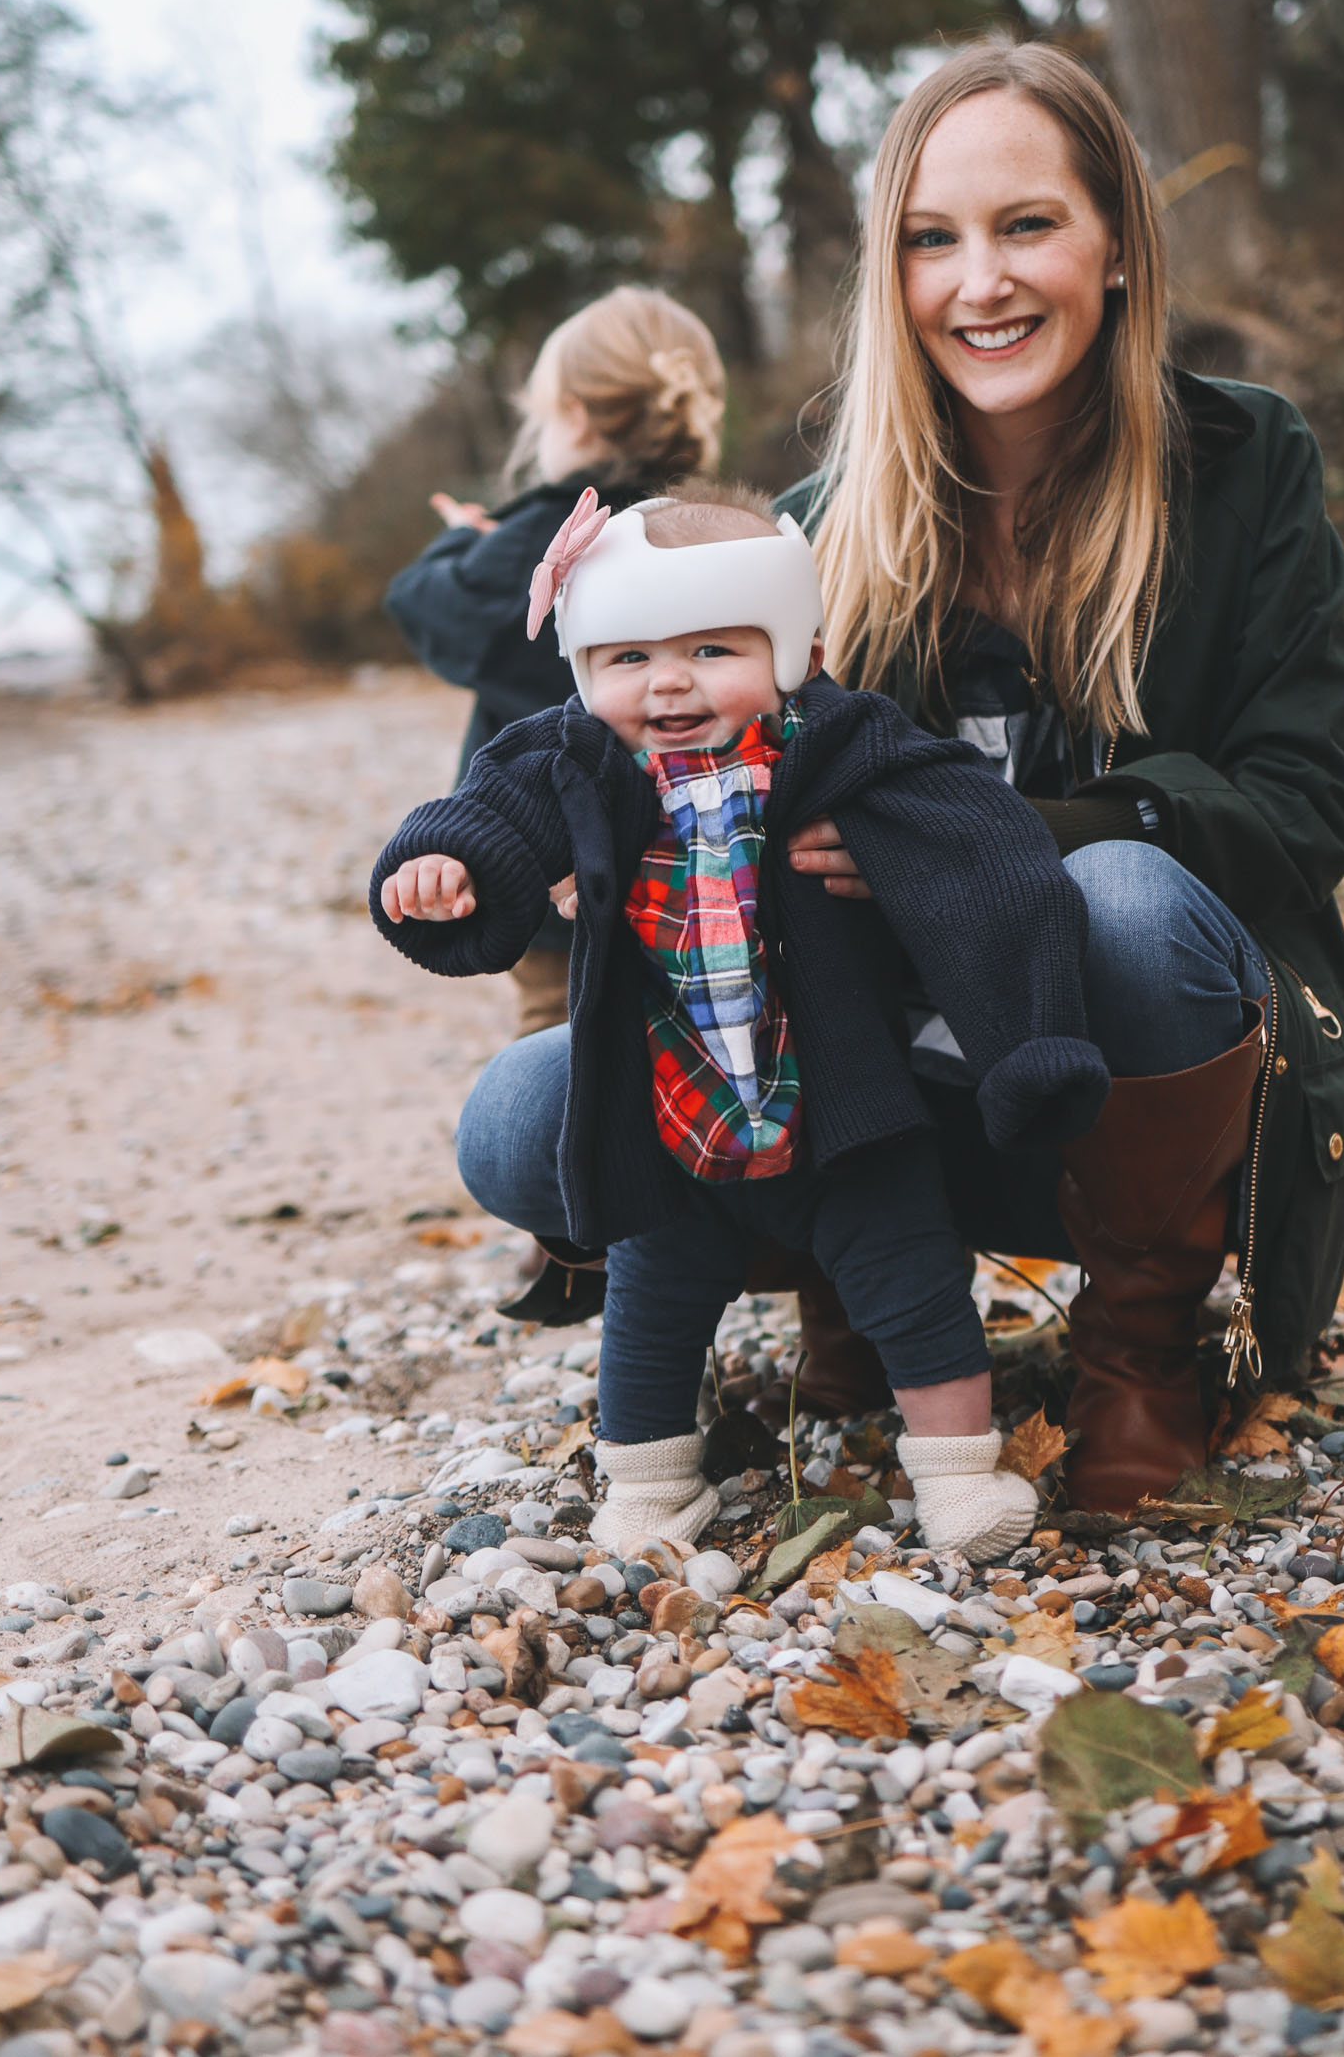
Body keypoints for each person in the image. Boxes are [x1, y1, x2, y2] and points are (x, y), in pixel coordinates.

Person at [455, 39, 1344, 1520]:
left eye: (1027, 226)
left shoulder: (1245, 461)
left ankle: (1142, 1352)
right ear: (888, 271)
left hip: (1141, 1070)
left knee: (1122, 899)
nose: (978, 283)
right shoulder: (815, 531)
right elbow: (672, 771)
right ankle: (850, 1277)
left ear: (1119, 246)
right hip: (877, 1093)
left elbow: (1308, 810)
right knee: (520, 1110)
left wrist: (1002, 838)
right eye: (931, 240)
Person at [370, 482, 1110, 1562]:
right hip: (671, 1105)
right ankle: (648, 1489)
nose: (667, 682)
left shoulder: (841, 738)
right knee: (651, 1306)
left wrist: (1029, 1036)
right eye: (625, 658)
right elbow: (494, 803)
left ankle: (960, 1475)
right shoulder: (580, 755)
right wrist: (450, 865)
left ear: (796, 647)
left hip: (844, 1097)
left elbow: (984, 850)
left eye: (713, 648)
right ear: (582, 667)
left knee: (912, 1283)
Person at [386, 286, 727, 1060]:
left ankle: (562, 1172)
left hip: (550, 864)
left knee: (564, 1044)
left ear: (573, 415)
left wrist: (459, 543)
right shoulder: (714, 530)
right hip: (707, 865)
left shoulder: (549, 533)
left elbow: (428, 608)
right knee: (692, 1041)